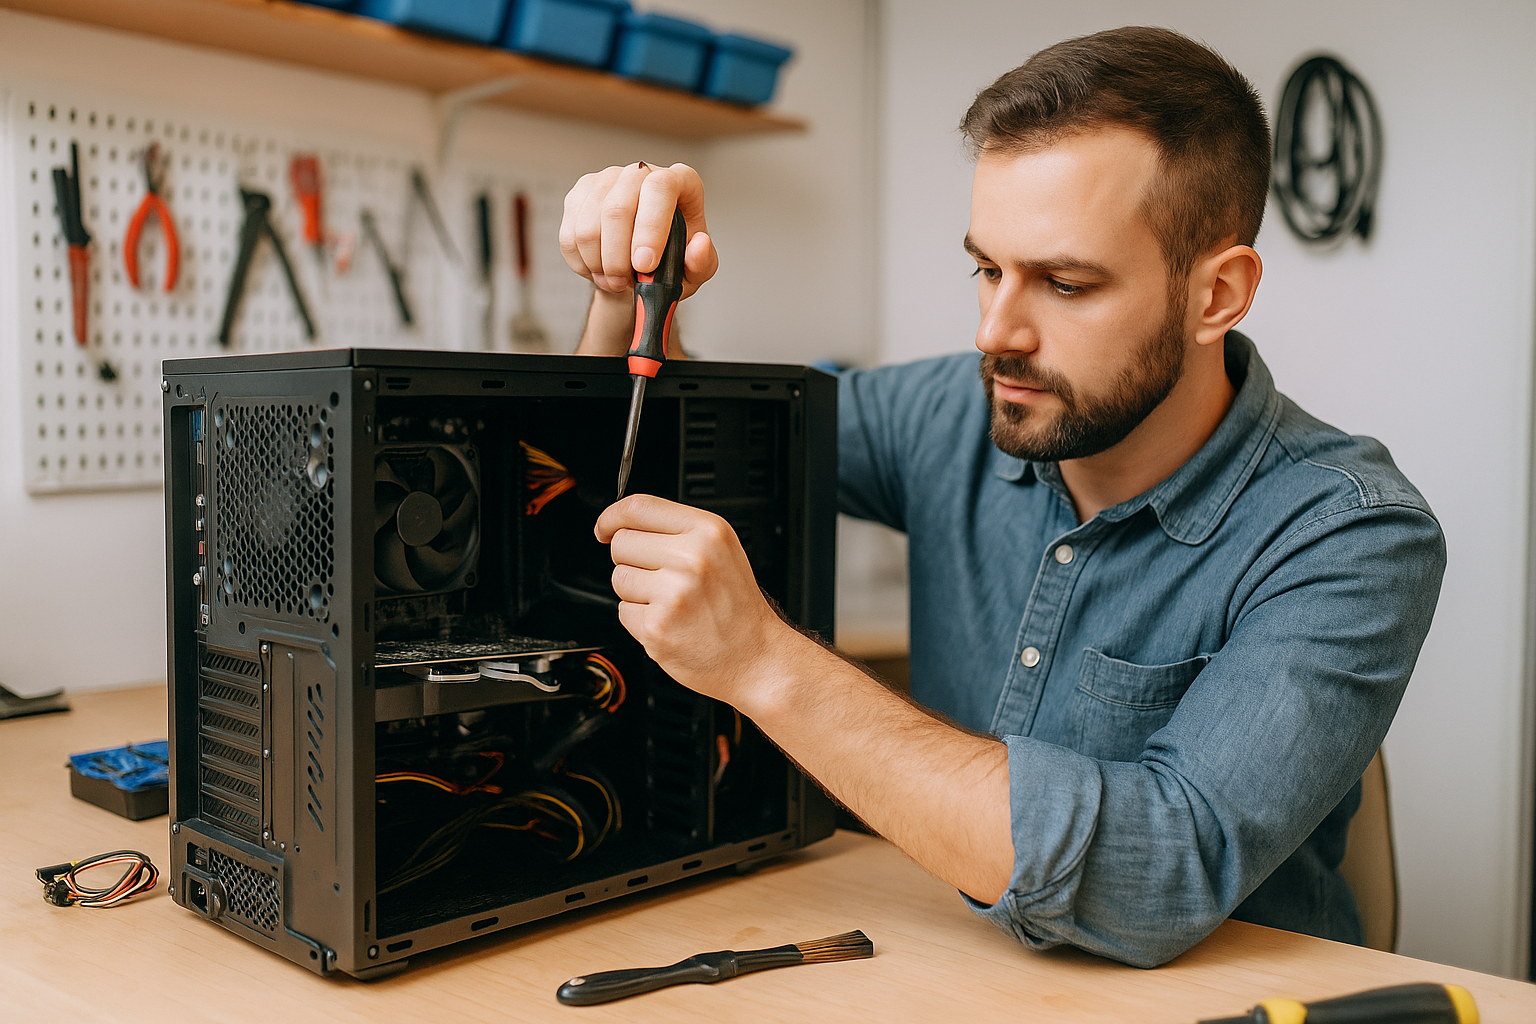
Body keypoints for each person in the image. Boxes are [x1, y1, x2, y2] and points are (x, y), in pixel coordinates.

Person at [557, 26, 1445, 968]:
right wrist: (629, 292)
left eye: (1064, 283)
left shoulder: (1350, 534)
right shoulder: (957, 404)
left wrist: (766, 663)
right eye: (986, 267)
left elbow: (1157, 875)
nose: (995, 331)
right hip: (968, 974)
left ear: (1216, 294)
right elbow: (680, 458)